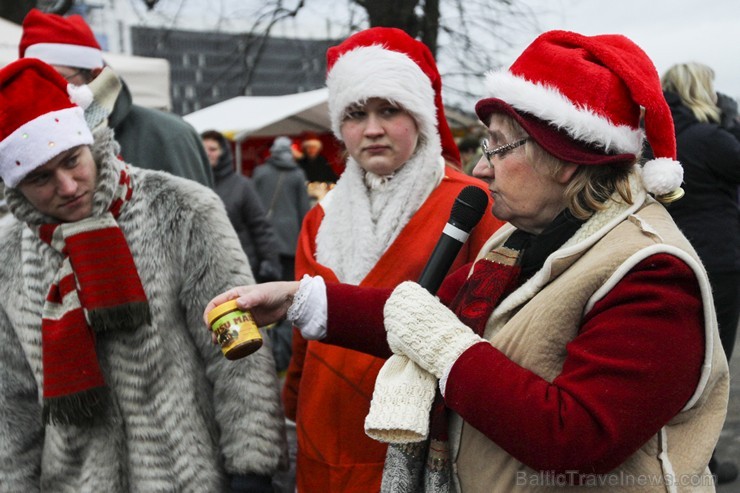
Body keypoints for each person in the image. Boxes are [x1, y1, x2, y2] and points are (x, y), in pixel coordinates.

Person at [206, 30, 729, 492]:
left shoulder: (652, 271)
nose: (481, 166)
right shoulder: (520, 240)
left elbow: (576, 440)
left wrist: (447, 349)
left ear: (566, 159)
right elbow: (421, 311)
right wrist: (300, 298)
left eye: (499, 146)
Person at [0, 58, 285, 492]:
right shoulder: (7, 256)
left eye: (72, 160)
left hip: (187, 476)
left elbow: (237, 355)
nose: (68, 186)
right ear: (14, 184)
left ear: (89, 142)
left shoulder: (184, 209)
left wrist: (251, 466)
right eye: (41, 177)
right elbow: (11, 403)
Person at [278, 27, 503, 492]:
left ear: (420, 115)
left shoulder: (474, 204)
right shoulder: (320, 217)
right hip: (321, 437)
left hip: (415, 440)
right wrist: (291, 405)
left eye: (389, 109)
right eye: (357, 114)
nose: (373, 129)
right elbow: (304, 337)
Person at [19, 8, 214, 188]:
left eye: (57, 79)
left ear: (95, 75)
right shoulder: (27, 148)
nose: (45, 91)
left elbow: (203, 222)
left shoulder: (169, 136)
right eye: (35, 82)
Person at [660, 62, 740, 484]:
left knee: (684, 360)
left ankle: (671, 454)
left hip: (675, 253)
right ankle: (701, 462)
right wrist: (733, 124)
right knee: (715, 364)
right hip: (719, 259)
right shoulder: (713, 138)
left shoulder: (660, 137)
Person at [201, 130, 282, 283]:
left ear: (223, 153)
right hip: (202, 271)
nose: (207, 154)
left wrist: (270, 261)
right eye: (203, 149)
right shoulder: (192, 184)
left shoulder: (242, 185)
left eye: (213, 149)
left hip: (238, 267)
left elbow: (260, 226)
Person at [252, 136, 312, 283]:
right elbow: (304, 208)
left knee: (262, 282)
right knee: (287, 281)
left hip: (263, 234)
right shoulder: (298, 174)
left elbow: (251, 204)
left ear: (273, 152)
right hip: (290, 236)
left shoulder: (260, 172)